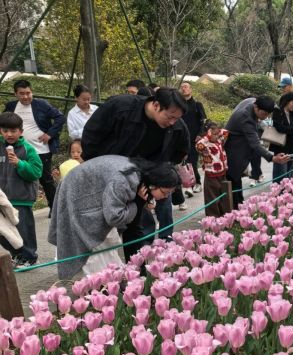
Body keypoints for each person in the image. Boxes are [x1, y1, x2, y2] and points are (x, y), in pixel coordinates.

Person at [81, 87, 189, 260]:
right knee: (102, 224)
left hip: (140, 181)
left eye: (177, 118)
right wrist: (97, 169)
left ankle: (136, 270)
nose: (172, 122)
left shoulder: (176, 126)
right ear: (156, 105)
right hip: (106, 176)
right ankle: (101, 269)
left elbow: (180, 151)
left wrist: (155, 177)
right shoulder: (121, 107)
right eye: (170, 117)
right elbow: (91, 135)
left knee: (134, 225)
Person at [49, 157, 180, 281]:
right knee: (94, 253)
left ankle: (105, 285)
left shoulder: (138, 176)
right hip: (78, 197)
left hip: (86, 194)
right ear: (154, 184)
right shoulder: (125, 181)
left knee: (106, 251)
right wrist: (138, 203)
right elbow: (114, 217)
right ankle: (97, 287)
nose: (165, 197)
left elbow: (130, 223)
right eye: (165, 192)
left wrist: (139, 203)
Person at [5, 79, 65, 212]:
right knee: (17, 178)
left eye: (28, 93)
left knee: (46, 180)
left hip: (41, 149)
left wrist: (50, 134)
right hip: (19, 150)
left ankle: (55, 209)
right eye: (22, 93)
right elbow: (4, 123)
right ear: (16, 94)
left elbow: (60, 118)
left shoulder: (41, 105)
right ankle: (19, 208)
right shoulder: (11, 106)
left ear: (32, 92)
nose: (26, 96)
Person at [224, 96, 289, 209]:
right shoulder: (246, 117)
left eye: (268, 114)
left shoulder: (253, 101)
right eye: (264, 114)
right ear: (256, 107)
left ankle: (239, 206)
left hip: (239, 144)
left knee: (236, 180)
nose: (265, 117)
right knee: (233, 181)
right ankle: (234, 210)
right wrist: (272, 158)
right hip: (234, 148)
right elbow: (255, 144)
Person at [0, 111, 42, 267]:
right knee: (4, 231)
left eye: (13, 131)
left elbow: (36, 172)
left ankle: (30, 257)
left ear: (21, 131)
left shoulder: (27, 149)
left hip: (21, 198)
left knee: (24, 230)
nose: (9, 134)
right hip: (3, 199)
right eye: (5, 130)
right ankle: (17, 255)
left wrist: (20, 164)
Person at [196, 121, 229, 217]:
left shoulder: (219, 141)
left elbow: (226, 132)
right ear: (208, 133)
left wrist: (218, 132)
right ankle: (213, 219)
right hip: (211, 175)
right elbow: (198, 146)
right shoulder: (204, 144)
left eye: (217, 133)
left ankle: (223, 217)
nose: (216, 136)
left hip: (222, 173)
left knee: (222, 197)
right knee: (212, 198)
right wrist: (208, 136)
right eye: (214, 134)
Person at [269, 92, 293, 182]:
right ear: (287, 101)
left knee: (289, 174)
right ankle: (278, 190)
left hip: (291, 147)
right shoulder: (278, 111)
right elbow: (279, 127)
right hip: (281, 148)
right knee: (280, 176)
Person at [179, 82, 206, 196]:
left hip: (194, 138)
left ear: (191, 90)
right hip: (182, 138)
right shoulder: (179, 105)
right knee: (184, 162)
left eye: (186, 87)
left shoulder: (197, 105)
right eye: (182, 87)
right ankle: (190, 185)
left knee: (192, 161)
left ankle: (196, 183)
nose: (183, 89)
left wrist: (200, 134)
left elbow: (203, 120)